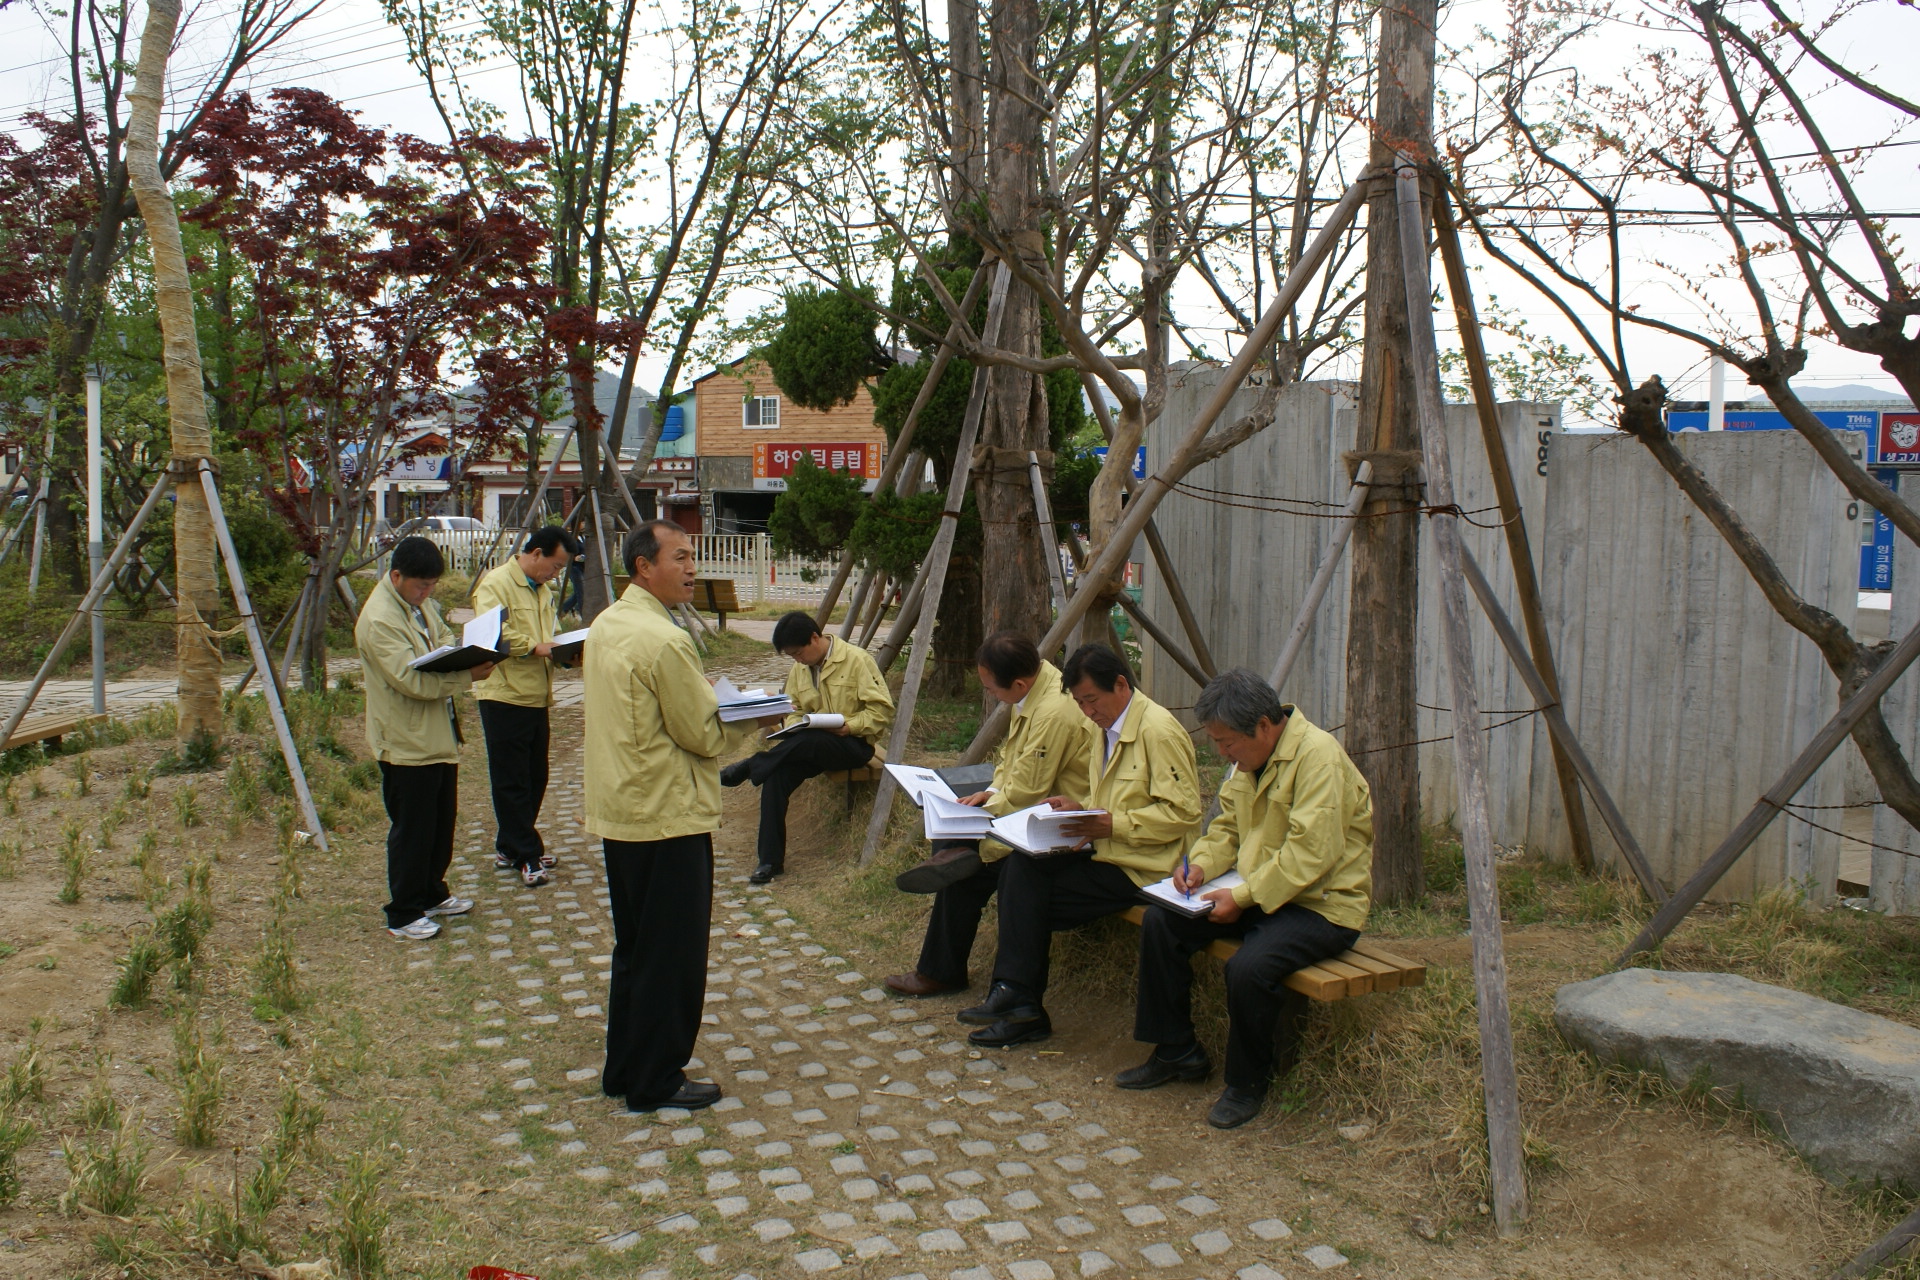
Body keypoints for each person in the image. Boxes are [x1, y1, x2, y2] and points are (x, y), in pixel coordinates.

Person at [1126, 668, 1373, 1130]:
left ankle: (1247, 1083)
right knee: (1162, 923)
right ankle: (1176, 1049)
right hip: (1257, 892)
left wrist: (1240, 896)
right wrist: (1199, 866)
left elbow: (1309, 855)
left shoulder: (1319, 758)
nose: (1223, 753)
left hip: (1322, 905)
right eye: (1217, 743)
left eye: (1227, 743)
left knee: (1249, 966)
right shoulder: (1248, 759)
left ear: (1263, 724)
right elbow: (1227, 828)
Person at [962, 643, 1201, 1048]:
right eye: (1080, 703)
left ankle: (1020, 1003)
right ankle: (1018, 1001)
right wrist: (1079, 809)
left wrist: (1110, 824)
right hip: (1108, 848)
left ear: (1121, 684)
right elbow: (1111, 796)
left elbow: (1183, 814)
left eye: (1092, 700)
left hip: (1145, 865)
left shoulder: (1158, 731)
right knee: (1020, 869)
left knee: (1026, 898)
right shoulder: (1103, 727)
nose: (1088, 712)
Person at [586, 519, 739, 1113]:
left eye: (693, 556)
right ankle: (656, 1079)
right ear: (644, 566)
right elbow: (700, 734)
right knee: (671, 954)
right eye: (679, 556)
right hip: (666, 813)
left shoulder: (608, 623)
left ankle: (625, 1067)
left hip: (624, 808)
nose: (691, 567)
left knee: (636, 947)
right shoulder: (665, 640)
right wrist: (733, 713)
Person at [884, 632, 1095, 998]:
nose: (990, 695)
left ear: (1017, 682)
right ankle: (941, 965)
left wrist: (986, 814)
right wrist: (991, 793)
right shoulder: (1034, 690)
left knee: (966, 859)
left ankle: (945, 969)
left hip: (1062, 821)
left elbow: (1029, 789)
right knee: (959, 854)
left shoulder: (1052, 712)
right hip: (1033, 809)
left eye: (991, 689)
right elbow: (1011, 761)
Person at [355, 535, 494, 940]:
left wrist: (465, 651)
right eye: (421, 586)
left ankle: (433, 891)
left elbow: (437, 648)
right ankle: (402, 911)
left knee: (440, 821)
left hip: (435, 734)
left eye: (432, 586)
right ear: (395, 576)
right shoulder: (380, 619)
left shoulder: (420, 607)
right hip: (404, 740)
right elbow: (409, 680)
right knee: (413, 828)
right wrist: (466, 675)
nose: (427, 593)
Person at [722, 610, 893, 885]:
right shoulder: (800, 668)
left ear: (815, 638)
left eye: (799, 653)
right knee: (775, 777)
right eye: (792, 656)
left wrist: (850, 725)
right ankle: (769, 861)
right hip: (810, 745)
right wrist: (795, 723)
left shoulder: (856, 660)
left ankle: (752, 765)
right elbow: (793, 708)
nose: (797, 660)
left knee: (810, 740)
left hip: (853, 745)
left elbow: (881, 711)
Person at [471, 525, 583, 887]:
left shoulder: (543, 590)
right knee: (512, 780)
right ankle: (527, 854)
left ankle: (510, 845)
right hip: (504, 695)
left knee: (535, 776)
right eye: (555, 565)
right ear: (536, 554)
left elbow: (550, 634)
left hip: (536, 695)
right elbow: (494, 635)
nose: (556, 574)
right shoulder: (496, 584)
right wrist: (537, 647)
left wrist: (566, 654)